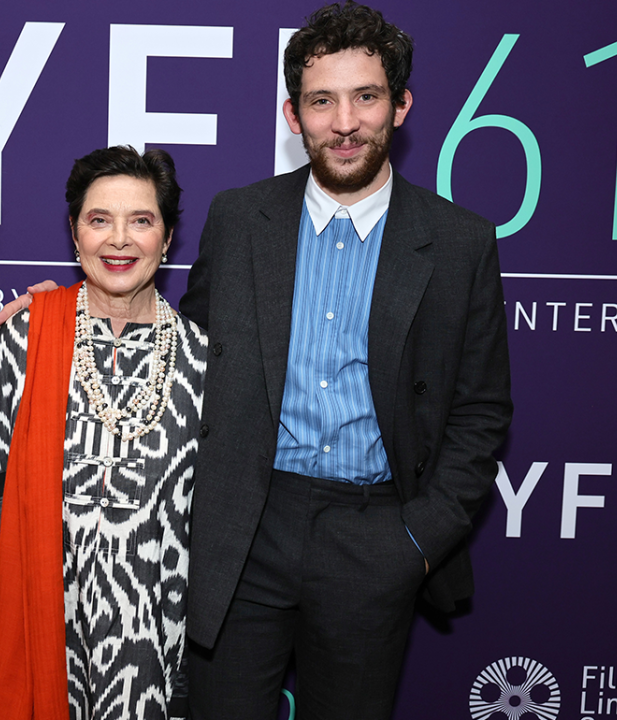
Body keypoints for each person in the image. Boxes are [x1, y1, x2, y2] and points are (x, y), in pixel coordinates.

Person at [178, 3, 513, 719]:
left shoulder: (458, 243)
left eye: (366, 96)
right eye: (321, 100)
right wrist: (76, 314)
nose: (345, 121)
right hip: (246, 530)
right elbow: (185, 355)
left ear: (401, 104)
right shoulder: (237, 220)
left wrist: (416, 542)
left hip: (377, 536)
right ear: (294, 115)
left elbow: (481, 410)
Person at [0, 146, 208, 720]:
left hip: (153, 651)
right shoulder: (25, 338)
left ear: (167, 235)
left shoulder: (204, 361)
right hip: (37, 632)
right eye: (99, 219)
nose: (119, 240)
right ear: (74, 231)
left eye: (141, 220)